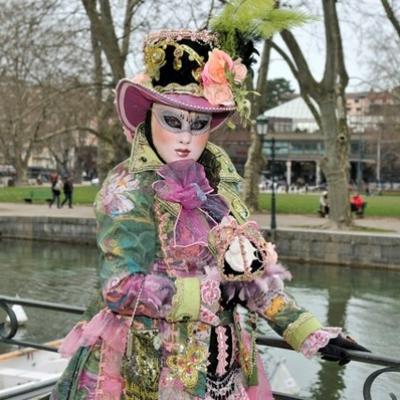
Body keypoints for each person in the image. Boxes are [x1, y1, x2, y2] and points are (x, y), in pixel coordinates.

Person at [51, 30, 369, 400]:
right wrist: (209, 292)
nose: (185, 137)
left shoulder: (218, 188)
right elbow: (120, 289)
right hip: (149, 372)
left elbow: (253, 281)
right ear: (149, 119)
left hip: (223, 370)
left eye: (198, 124)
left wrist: (307, 332)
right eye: (172, 121)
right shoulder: (129, 189)